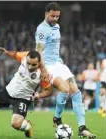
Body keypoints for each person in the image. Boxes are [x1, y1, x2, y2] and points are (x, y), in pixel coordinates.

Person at [35, 2, 96, 138]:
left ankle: (82, 128)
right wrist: (43, 70)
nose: (55, 19)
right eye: (52, 16)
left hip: (58, 64)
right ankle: (57, 118)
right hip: (47, 66)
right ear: (46, 14)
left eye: (57, 16)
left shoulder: (57, 26)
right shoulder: (41, 30)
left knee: (76, 92)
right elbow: (39, 52)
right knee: (65, 89)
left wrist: (59, 60)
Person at [0, 50, 52, 138]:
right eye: (28, 63)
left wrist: (39, 96)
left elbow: (48, 91)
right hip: (9, 90)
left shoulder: (44, 75)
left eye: (34, 65)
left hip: (23, 98)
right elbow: (15, 54)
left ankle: (27, 126)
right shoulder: (23, 57)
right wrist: (7, 52)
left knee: (16, 124)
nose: (30, 66)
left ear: (39, 62)